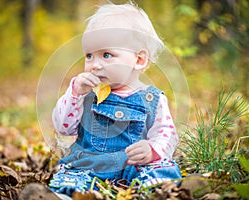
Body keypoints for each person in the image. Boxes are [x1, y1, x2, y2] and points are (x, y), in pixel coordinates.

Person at [49, 2, 182, 196]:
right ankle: (63, 195)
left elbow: (167, 134)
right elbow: (63, 127)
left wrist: (152, 149)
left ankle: (161, 191)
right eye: (89, 56)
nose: (94, 65)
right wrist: (75, 93)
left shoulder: (153, 99)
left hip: (134, 166)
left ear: (139, 60)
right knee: (72, 177)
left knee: (162, 167)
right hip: (88, 164)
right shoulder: (85, 94)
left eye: (106, 54)